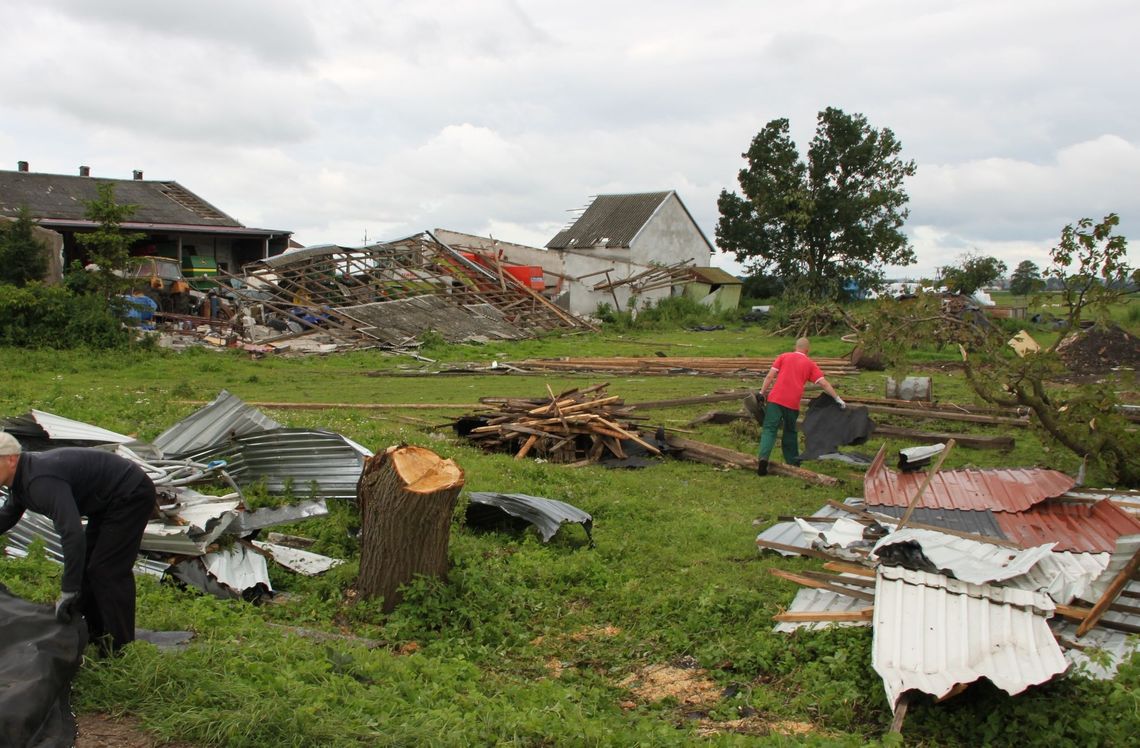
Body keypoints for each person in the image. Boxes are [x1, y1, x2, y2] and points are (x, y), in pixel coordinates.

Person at [0, 433, 156, 653]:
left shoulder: (40, 481)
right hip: (106, 501)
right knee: (89, 568)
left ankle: (121, 647)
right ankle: (95, 633)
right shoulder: (21, 481)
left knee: (106, 570)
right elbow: (7, 515)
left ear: (11, 459)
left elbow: (72, 533)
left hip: (130, 493)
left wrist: (68, 590)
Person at [756, 337, 845, 475]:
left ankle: (763, 458)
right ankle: (792, 463)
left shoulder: (783, 356)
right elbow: (824, 384)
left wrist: (761, 393)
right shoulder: (810, 364)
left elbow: (770, 376)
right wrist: (837, 399)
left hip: (775, 400)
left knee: (769, 429)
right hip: (792, 403)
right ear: (807, 350)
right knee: (790, 432)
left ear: (795, 347)